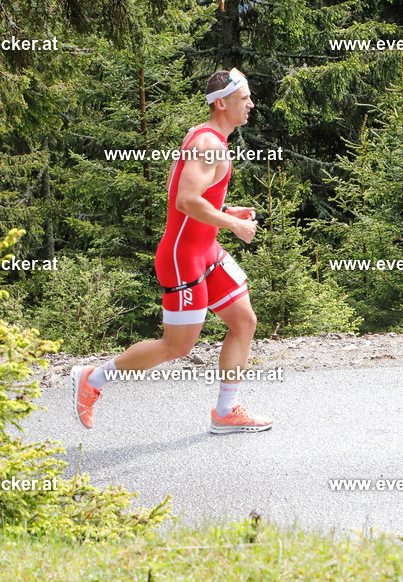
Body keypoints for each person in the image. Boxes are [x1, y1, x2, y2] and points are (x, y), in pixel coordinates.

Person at [70, 68, 273, 434]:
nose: (251, 104)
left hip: (205, 251)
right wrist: (236, 225)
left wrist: (225, 211)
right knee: (176, 346)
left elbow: (175, 185)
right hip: (183, 260)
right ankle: (93, 379)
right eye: (244, 98)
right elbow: (184, 200)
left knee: (244, 321)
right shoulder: (209, 144)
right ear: (222, 103)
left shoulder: (204, 137)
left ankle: (226, 411)